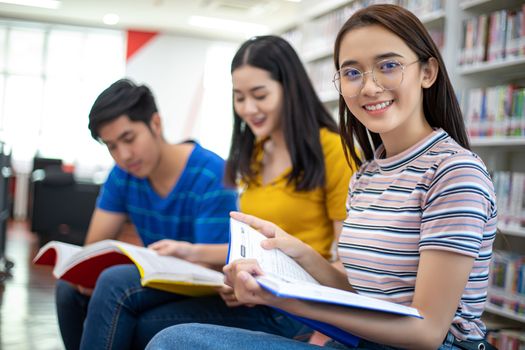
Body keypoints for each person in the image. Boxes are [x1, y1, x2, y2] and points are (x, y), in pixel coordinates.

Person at [146, 4, 498, 350]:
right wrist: (296, 252)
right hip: (357, 341)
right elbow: (362, 294)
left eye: (388, 66)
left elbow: (427, 332)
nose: (369, 87)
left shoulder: (454, 173)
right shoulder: (368, 174)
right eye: (352, 72)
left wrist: (284, 301)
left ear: (428, 72)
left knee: (173, 340)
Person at [111, 35, 351, 349]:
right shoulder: (256, 152)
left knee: (143, 325)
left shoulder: (332, 150)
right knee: (134, 313)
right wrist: (196, 254)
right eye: (239, 97)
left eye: (260, 95)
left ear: (290, 89)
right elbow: (258, 245)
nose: (248, 108)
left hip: (296, 307)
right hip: (256, 295)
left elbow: (348, 268)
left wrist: (273, 286)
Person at [54, 78, 238, 350]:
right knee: (68, 289)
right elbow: (93, 247)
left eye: (128, 139)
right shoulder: (123, 175)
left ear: (156, 123)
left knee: (114, 283)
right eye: (112, 146)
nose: (124, 155)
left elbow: (211, 268)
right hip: (160, 277)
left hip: (204, 286)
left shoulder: (211, 173)